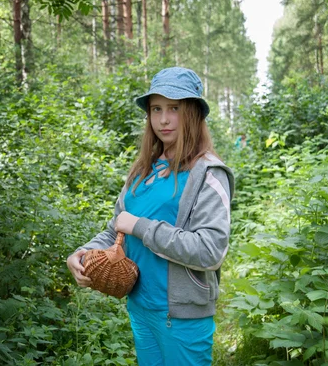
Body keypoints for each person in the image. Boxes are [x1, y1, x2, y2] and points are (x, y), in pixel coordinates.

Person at [66, 67, 234, 366]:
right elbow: (117, 227)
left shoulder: (207, 173)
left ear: (193, 113)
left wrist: (142, 227)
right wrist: (84, 252)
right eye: (156, 109)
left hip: (181, 316)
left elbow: (210, 251)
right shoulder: (144, 169)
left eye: (174, 108)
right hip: (140, 306)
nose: (164, 119)